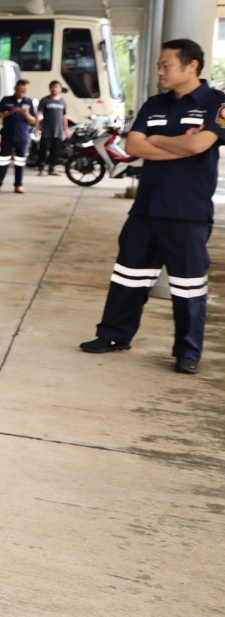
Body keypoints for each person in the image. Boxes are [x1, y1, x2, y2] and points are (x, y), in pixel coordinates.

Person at [80, 39, 224, 374]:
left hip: (187, 213)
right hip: (145, 209)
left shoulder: (216, 103)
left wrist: (156, 140)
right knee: (128, 278)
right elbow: (134, 146)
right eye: (159, 65)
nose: (160, 71)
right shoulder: (154, 103)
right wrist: (177, 144)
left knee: (188, 288)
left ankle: (187, 353)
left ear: (191, 65)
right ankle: (114, 336)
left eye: (165, 65)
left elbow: (198, 145)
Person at [0, 79, 39, 193]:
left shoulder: (29, 101)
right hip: (7, 135)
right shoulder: (6, 100)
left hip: (22, 136)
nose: (22, 93)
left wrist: (26, 114)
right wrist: (9, 113)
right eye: (20, 90)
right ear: (15, 88)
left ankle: (18, 185)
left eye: (25, 91)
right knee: (3, 160)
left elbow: (34, 121)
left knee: (20, 161)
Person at [35, 80, 70, 174]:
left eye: (57, 87)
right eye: (53, 87)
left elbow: (64, 116)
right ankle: (42, 168)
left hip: (58, 130)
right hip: (46, 130)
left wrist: (66, 129)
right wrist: (37, 128)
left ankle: (52, 168)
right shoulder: (45, 100)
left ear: (60, 89)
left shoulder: (62, 101)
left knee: (55, 150)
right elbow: (39, 114)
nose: (55, 89)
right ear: (50, 88)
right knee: (43, 149)